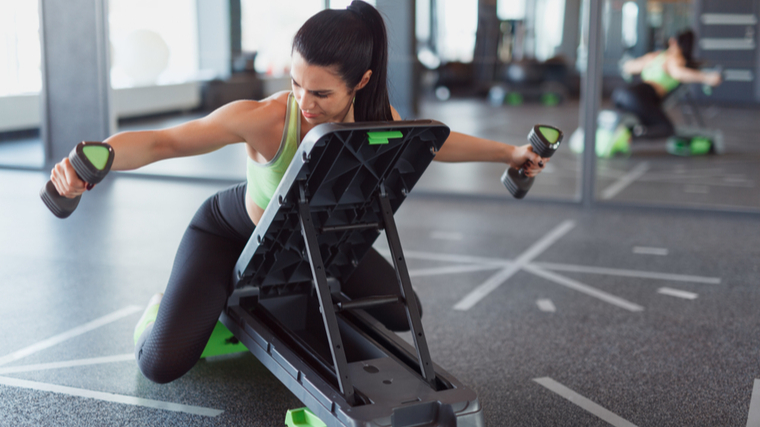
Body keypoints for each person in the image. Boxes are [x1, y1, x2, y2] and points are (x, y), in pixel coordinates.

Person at [48, 1, 548, 384]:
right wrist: (95, 160)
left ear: (361, 82)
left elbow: (437, 140)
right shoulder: (268, 117)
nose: (304, 102)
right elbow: (167, 140)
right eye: (296, 84)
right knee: (162, 364)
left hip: (310, 241)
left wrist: (509, 154)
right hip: (232, 233)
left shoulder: (377, 120)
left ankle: (275, 292)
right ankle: (175, 304)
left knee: (402, 314)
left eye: (321, 93)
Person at [593, 29, 722, 157]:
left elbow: (628, 67)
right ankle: (629, 137)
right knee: (666, 129)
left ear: (673, 42)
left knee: (626, 119)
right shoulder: (676, 59)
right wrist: (709, 78)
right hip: (640, 96)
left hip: (621, 93)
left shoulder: (656, 56)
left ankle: (609, 135)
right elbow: (678, 72)